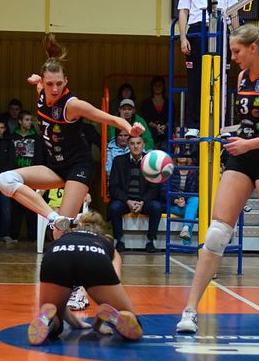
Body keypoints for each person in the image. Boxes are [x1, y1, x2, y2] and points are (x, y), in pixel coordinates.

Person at [177, 25, 259, 334]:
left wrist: (250, 144)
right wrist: (236, 136)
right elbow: (251, 121)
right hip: (243, 155)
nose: (232, 57)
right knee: (216, 234)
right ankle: (190, 310)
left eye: (236, 51)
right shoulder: (242, 77)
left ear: (253, 48)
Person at [0, 34, 143, 234]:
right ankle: (54, 218)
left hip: (78, 166)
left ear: (66, 81)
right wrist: (37, 80)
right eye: (49, 84)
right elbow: (41, 83)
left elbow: (111, 119)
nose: (55, 89)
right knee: (5, 180)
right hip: (55, 166)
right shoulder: (41, 91)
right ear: (43, 82)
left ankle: (65, 229)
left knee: (59, 233)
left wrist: (130, 129)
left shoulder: (73, 105)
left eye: (59, 83)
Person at [28, 210, 143, 345]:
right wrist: (99, 320)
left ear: (77, 226)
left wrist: (76, 323)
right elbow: (114, 279)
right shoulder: (105, 243)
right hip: (95, 257)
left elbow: (61, 303)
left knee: (54, 313)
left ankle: (48, 321)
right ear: (102, 231)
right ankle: (115, 317)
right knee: (130, 318)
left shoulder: (64, 238)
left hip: (56, 254)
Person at [177, 0, 239, 137]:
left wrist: (235, 40)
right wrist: (183, 38)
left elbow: (234, 12)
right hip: (197, 31)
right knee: (195, 80)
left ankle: (221, 126)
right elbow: (183, 11)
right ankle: (193, 126)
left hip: (220, 31)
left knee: (220, 80)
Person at [108, 134, 163, 253]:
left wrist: (142, 202)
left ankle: (150, 241)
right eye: (132, 143)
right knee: (113, 207)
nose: (136, 146)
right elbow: (113, 187)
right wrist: (128, 201)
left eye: (138, 143)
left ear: (143, 145)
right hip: (125, 201)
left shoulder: (151, 162)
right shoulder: (118, 161)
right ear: (128, 145)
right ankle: (119, 240)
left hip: (144, 201)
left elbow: (154, 188)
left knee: (156, 207)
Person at [10, 110, 44, 241]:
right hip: (16, 174)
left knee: (32, 205)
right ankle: (13, 235)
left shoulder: (36, 137)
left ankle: (33, 236)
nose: (29, 122)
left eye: (31, 120)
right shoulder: (13, 136)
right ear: (20, 121)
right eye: (27, 120)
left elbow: (40, 156)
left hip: (32, 175)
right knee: (16, 205)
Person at [167, 148, 199, 244]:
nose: (182, 155)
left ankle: (185, 228)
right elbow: (164, 191)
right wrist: (176, 201)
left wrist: (183, 200)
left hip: (186, 203)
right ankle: (186, 243)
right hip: (172, 204)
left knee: (195, 200)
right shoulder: (170, 171)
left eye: (184, 153)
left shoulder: (193, 172)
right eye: (179, 153)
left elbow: (193, 190)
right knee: (192, 212)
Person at [140, 75, 170, 150]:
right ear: (152, 87)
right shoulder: (146, 103)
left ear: (163, 87)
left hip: (166, 130)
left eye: (160, 85)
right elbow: (145, 119)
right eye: (155, 85)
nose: (157, 87)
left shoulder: (169, 102)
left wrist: (164, 127)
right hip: (150, 131)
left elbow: (171, 119)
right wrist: (156, 127)